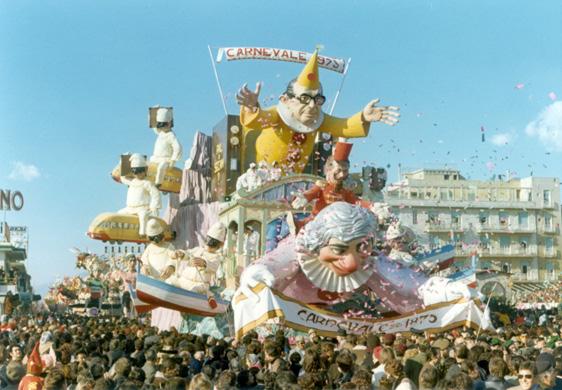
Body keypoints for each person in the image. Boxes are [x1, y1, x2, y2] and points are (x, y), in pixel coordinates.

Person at [236, 49, 399, 174]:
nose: (313, 106)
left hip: (295, 183)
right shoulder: (278, 114)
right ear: (286, 100)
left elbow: (344, 125)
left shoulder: (318, 119)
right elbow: (259, 119)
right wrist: (252, 107)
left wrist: (364, 116)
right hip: (262, 179)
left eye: (318, 99)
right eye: (305, 98)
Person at [166, 222, 227, 308]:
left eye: (212, 245)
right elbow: (187, 253)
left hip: (199, 285)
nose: (209, 247)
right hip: (183, 280)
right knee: (170, 281)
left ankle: (184, 304)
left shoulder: (216, 257)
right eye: (209, 243)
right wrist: (181, 254)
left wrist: (204, 263)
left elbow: (213, 266)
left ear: (219, 245)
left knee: (192, 292)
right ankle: (168, 298)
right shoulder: (198, 250)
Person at [118, 153, 161, 237]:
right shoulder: (132, 181)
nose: (138, 174)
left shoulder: (147, 183)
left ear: (145, 170)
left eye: (140, 171)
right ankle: (121, 232)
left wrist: (154, 207)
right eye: (135, 172)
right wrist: (123, 161)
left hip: (142, 208)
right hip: (129, 208)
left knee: (143, 216)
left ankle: (143, 233)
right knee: (119, 214)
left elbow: (155, 194)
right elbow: (123, 178)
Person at [149, 107, 182, 188]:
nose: (162, 128)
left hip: (166, 159)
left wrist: (173, 160)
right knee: (148, 166)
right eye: (161, 126)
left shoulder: (171, 136)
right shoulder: (161, 132)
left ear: (169, 124)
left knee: (161, 168)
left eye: (164, 125)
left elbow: (178, 148)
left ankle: (158, 183)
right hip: (156, 158)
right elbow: (154, 127)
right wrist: (152, 113)